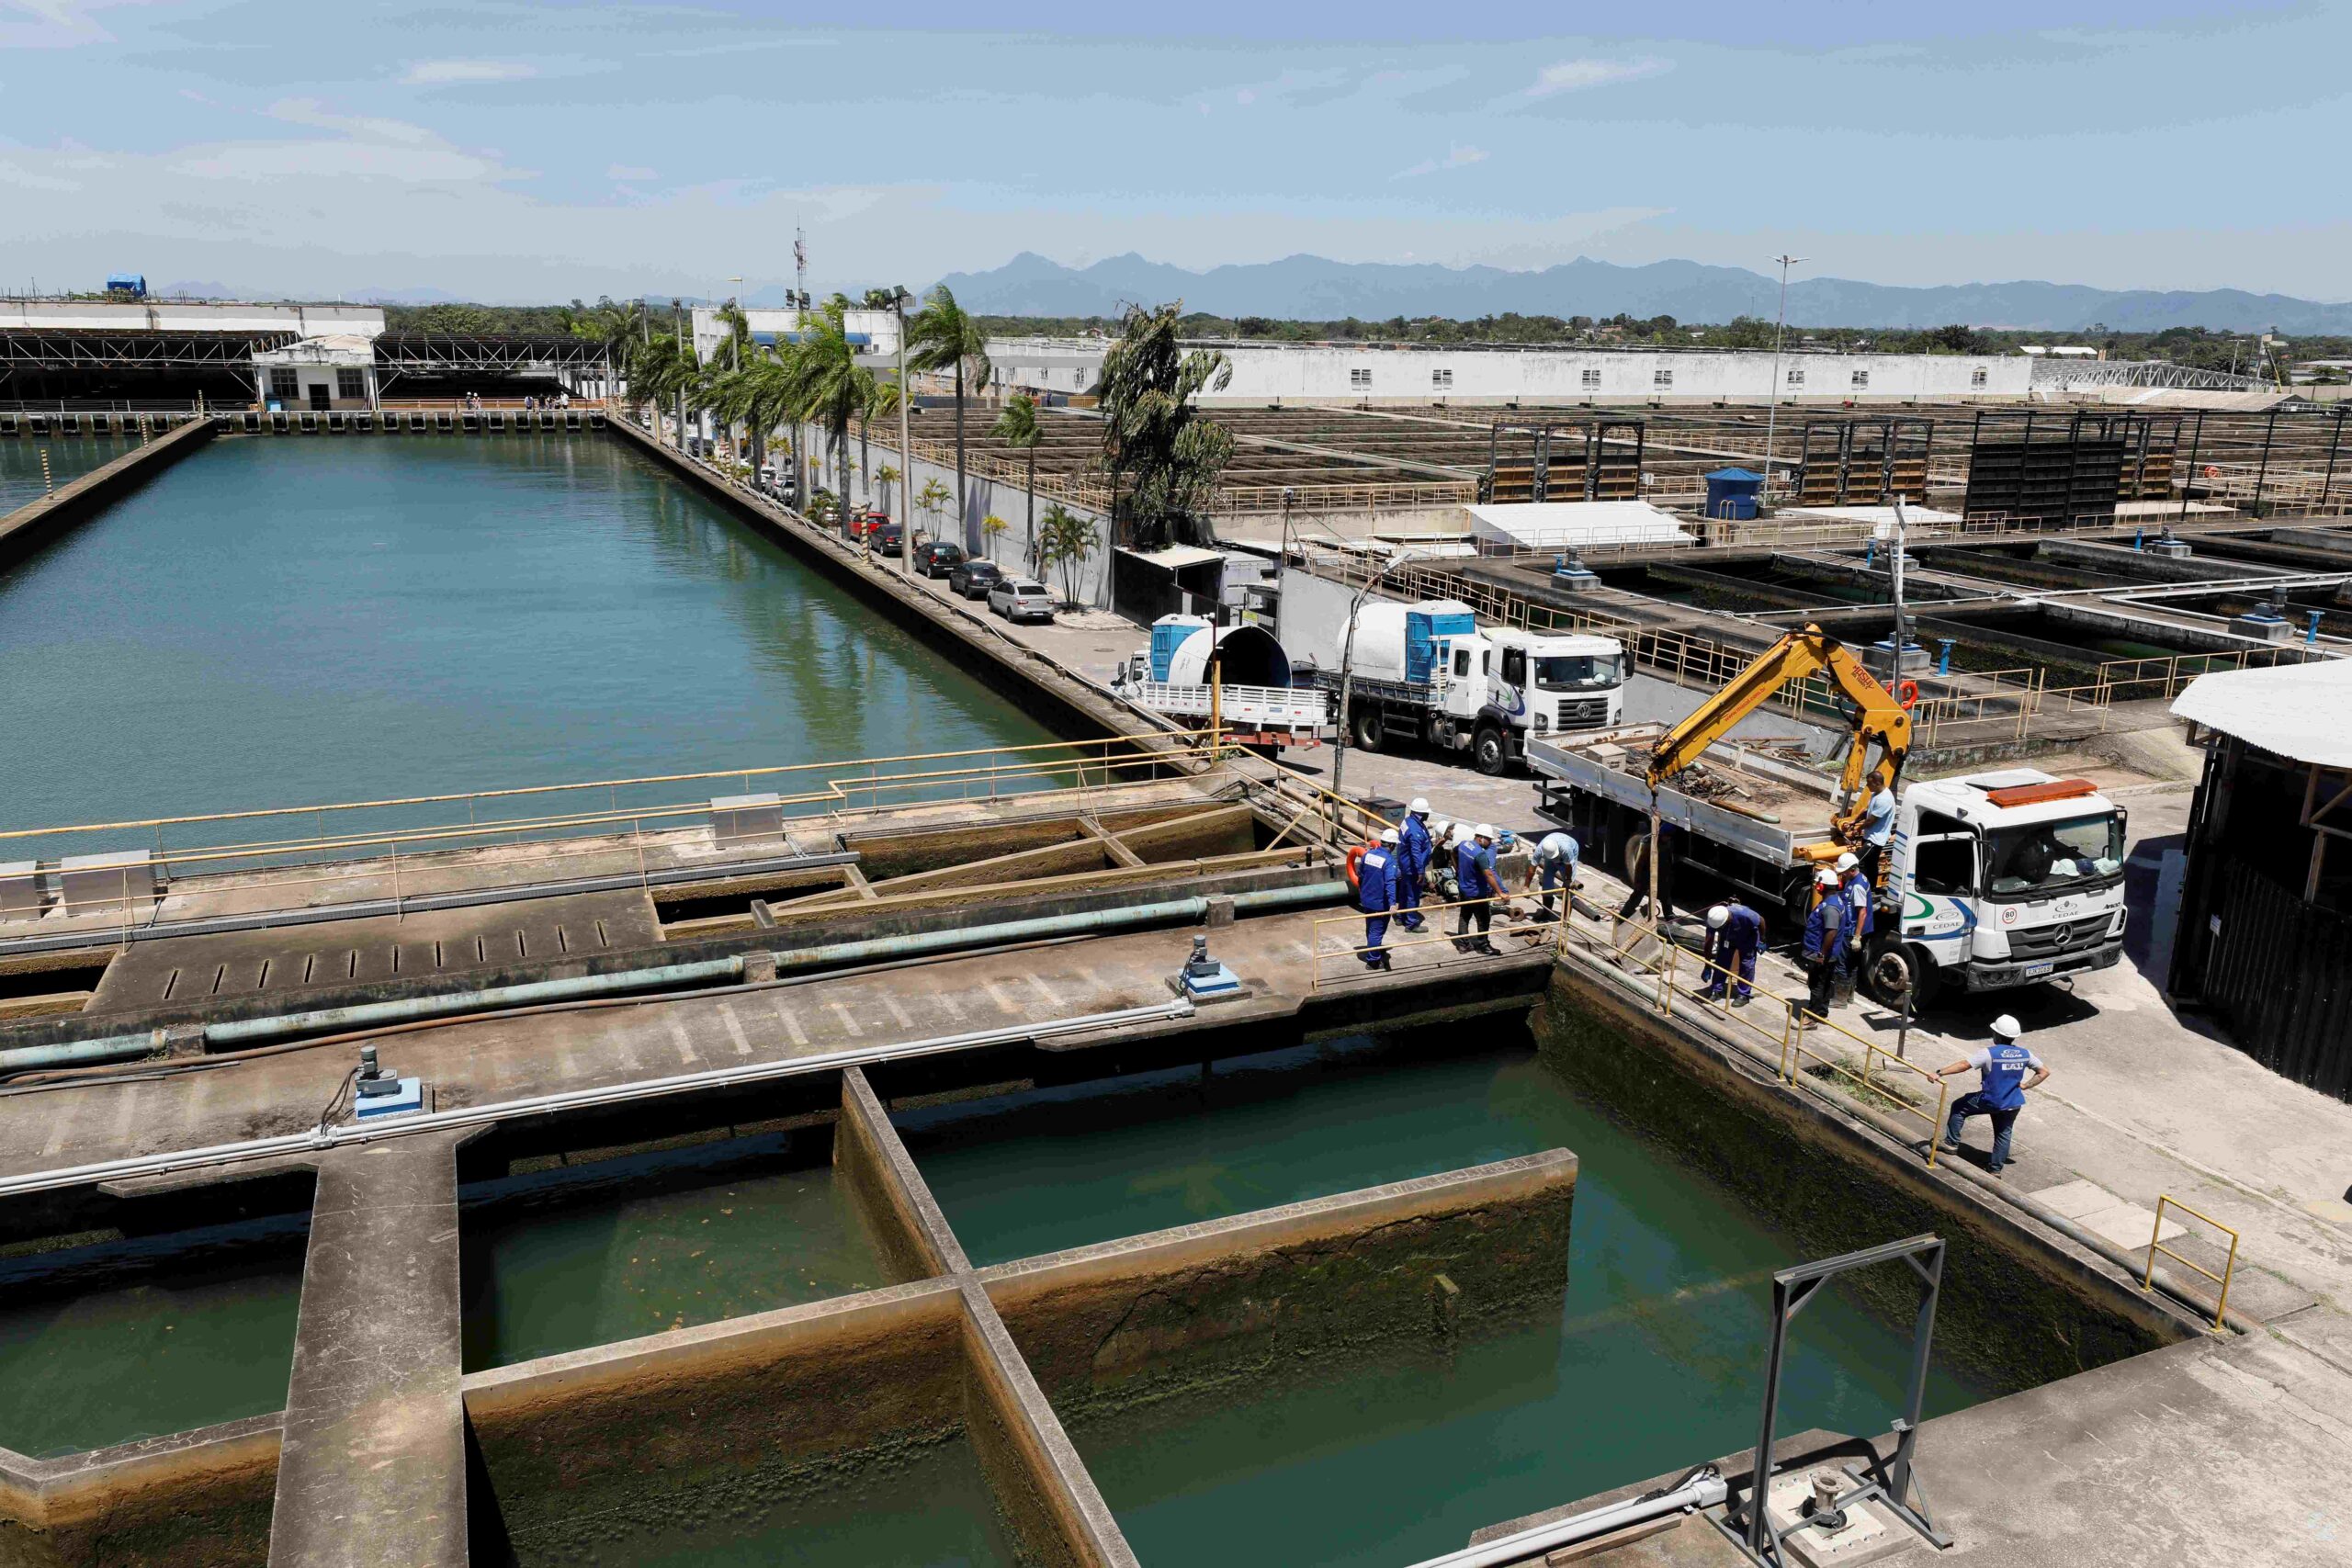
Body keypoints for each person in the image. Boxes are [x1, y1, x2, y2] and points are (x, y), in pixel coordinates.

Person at [1934, 1016, 2048, 1175]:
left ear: (1997, 1035)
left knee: (1959, 1107)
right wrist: (2026, 1085)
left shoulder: (1989, 1053)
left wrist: (1939, 1073)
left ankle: (1951, 1143)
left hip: (1991, 1100)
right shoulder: (2025, 1054)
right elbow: (2044, 1072)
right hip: (2013, 1103)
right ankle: (1995, 1170)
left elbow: (1964, 1065)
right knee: (2003, 1134)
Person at [1798, 868, 1849, 1028]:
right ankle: (1821, 1013)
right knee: (1825, 984)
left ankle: (1812, 1017)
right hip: (1826, 953)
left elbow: (1831, 932)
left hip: (1820, 954)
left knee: (1816, 985)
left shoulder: (1830, 907)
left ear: (1822, 886)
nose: (1816, 887)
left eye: (1818, 884)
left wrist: (1821, 954)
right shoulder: (1833, 901)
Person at [1702, 899, 1767, 1005]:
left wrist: (1762, 940)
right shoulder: (1713, 921)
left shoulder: (1746, 915)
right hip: (1728, 938)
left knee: (1747, 965)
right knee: (1721, 962)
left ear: (1727, 919)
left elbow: (1761, 921)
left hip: (1747, 937)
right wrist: (1707, 965)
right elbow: (1708, 943)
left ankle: (1744, 995)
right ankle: (1716, 990)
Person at [1356, 828, 1401, 971]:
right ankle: (1373, 961)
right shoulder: (1389, 861)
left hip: (1366, 899)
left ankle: (1373, 949)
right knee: (1376, 931)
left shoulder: (1368, 855)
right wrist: (1392, 903)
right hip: (1380, 903)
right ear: (1392, 845)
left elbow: (1360, 874)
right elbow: (1390, 882)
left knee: (1371, 928)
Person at [1453, 824, 1502, 955]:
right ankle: (1483, 946)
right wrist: (1500, 892)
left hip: (1464, 889)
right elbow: (1489, 875)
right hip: (1476, 893)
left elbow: (1454, 851)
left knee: (1464, 916)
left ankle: (1463, 945)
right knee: (1484, 918)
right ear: (1480, 838)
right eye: (1488, 839)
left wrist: (1458, 869)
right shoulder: (1480, 854)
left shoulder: (1464, 844)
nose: (1490, 842)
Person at [1835, 852, 1873, 1005]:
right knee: (1852, 964)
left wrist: (1856, 937)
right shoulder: (1859, 878)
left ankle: (1840, 999)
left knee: (1843, 964)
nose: (1842, 874)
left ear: (1852, 870)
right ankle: (1849, 996)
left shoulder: (1857, 886)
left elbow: (1862, 912)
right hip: (1855, 930)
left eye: (1844, 872)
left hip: (1851, 931)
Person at [1398, 799, 1433, 933]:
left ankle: (1401, 916)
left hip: (1405, 864)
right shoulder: (1415, 831)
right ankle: (1411, 924)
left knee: (1404, 891)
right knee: (1413, 895)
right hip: (1412, 868)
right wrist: (1420, 871)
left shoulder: (1408, 821)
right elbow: (1416, 852)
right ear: (1422, 813)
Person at [1533, 831, 1579, 920]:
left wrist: (1568, 880)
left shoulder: (1566, 849)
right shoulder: (1540, 850)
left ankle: (1565, 918)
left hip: (1568, 856)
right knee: (1546, 883)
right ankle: (1546, 913)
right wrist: (1526, 886)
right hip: (1551, 857)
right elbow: (1532, 867)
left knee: (1568, 889)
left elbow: (1568, 866)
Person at [1860, 782, 1896, 889]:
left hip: (1875, 839)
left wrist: (1859, 828)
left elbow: (1871, 820)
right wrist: (1856, 819)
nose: (1867, 785)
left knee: (1860, 861)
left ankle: (1864, 888)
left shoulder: (1884, 799)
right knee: (1871, 863)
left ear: (1877, 783)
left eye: (1869, 783)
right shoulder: (1876, 794)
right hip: (1870, 836)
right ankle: (1871, 888)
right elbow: (1869, 811)